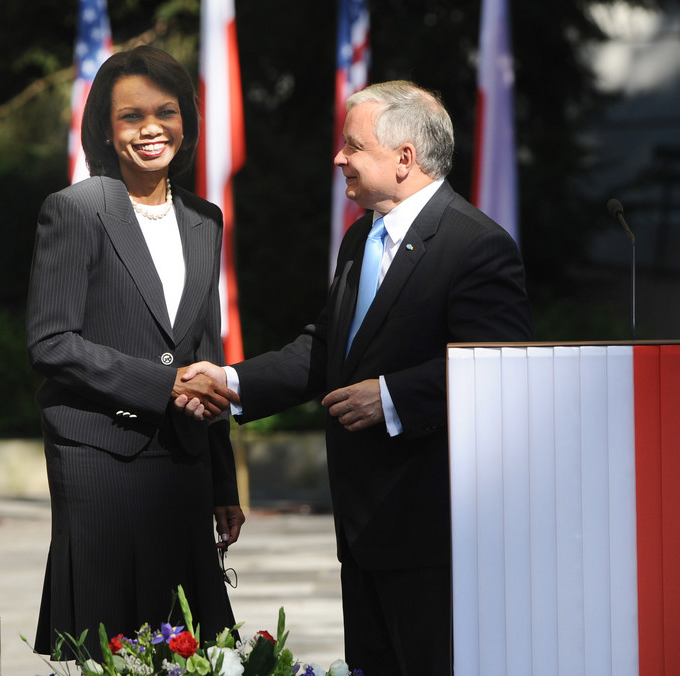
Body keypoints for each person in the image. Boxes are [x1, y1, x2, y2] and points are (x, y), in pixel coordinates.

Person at [178, 80, 533, 674]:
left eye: (352, 146)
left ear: (403, 159)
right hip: (363, 533)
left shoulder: (477, 247)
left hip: (432, 534)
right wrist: (231, 383)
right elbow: (326, 348)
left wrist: (392, 396)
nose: (338, 158)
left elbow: (500, 367)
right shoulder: (359, 237)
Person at [28, 45, 245, 657]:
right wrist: (164, 385)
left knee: (188, 651)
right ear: (103, 126)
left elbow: (205, 352)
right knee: (112, 652)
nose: (151, 128)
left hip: (184, 463)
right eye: (131, 116)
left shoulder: (206, 219)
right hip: (101, 462)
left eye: (166, 111)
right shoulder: (75, 211)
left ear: (187, 121)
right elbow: (51, 343)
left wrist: (223, 482)